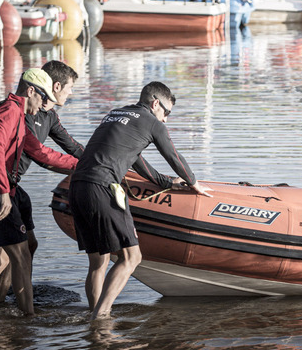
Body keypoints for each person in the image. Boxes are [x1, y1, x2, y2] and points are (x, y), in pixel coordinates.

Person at [69, 81, 212, 319]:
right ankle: (101, 317)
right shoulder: (152, 122)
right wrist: (194, 183)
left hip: (77, 186)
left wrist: (166, 183)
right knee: (132, 257)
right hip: (103, 187)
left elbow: (136, 160)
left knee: (99, 261)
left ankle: (93, 319)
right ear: (156, 103)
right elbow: (174, 156)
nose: (165, 119)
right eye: (166, 112)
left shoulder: (115, 113)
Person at [0, 68, 79, 316]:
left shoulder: (17, 114)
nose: (42, 106)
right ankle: (29, 317)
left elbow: (41, 153)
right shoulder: (8, 112)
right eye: (42, 98)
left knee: (0, 260)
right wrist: (4, 192)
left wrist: (82, 165)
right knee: (21, 256)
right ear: (30, 91)